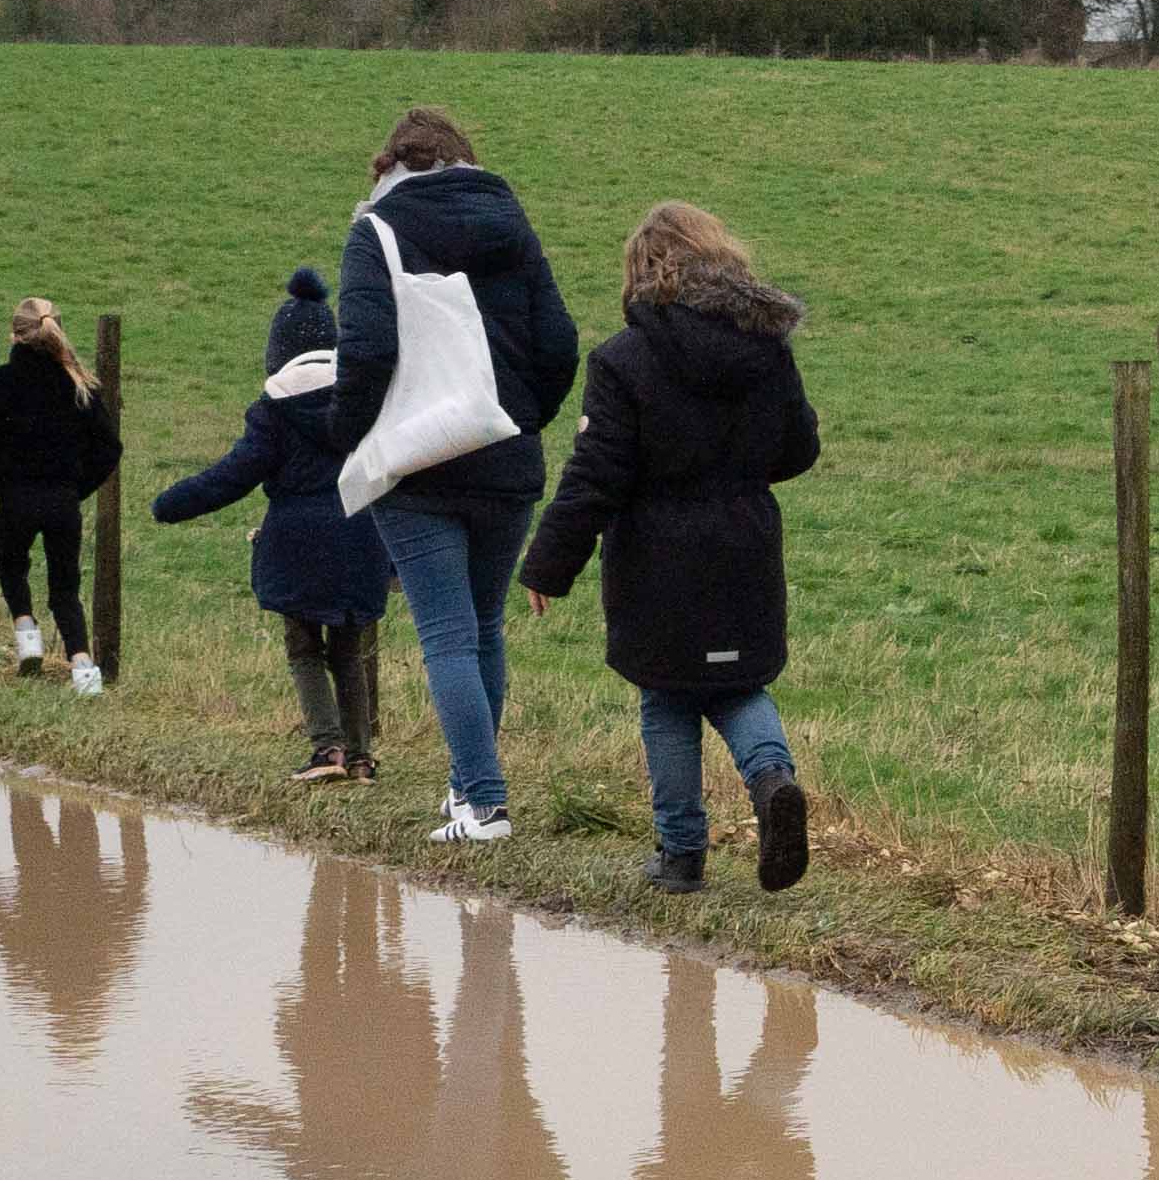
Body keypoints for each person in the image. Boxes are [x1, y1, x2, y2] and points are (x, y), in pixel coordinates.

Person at [521, 199, 823, 894]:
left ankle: (682, 856)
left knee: (666, 696)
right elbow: (799, 448)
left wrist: (549, 563)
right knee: (740, 683)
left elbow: (597, 474)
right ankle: (773, 778)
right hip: (746, 544)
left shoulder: (623, 360)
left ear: (639, 273)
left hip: (658, 554)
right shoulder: (767, 347)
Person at [335, 107, 580, 845]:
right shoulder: (513, 222)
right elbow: (560, 343)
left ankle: (482, 800)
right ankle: (468, 789)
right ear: (464, 159)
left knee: (446, 636)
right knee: (483, 629)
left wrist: (349, 438)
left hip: (418, 462)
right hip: (507, 455)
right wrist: (523, 416)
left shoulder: (374, 234)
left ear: (389, 168)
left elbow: (369, 350)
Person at [154, 265, 397, 781]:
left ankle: (326, 749)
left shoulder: (272, 411)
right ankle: (360, 757)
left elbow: (231, 476)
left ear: (277, 352)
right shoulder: (365, 400)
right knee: (350, 651)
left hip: (296, 542)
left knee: (304, 648)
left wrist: (172, 503)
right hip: (359, 535)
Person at [0, 297, 120, 692]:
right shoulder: (80, 385)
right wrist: (76, 487)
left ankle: (26, 632)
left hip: (16, 499)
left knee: (12, 567)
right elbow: (109, 448)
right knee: (65, 589)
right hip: (63, 502)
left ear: (13, 335)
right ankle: (84, 669)